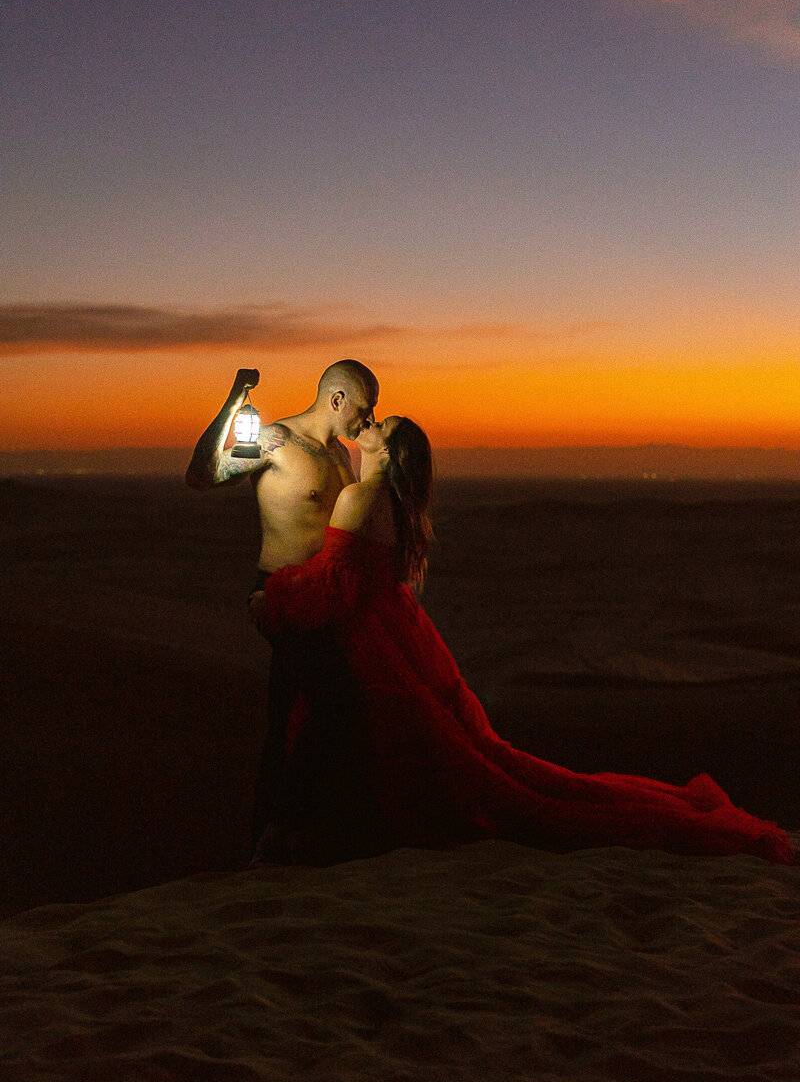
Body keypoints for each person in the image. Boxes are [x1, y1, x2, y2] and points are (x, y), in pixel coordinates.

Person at [249, 416, 795, 867]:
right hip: (394, 630)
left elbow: (336, 583)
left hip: (374, 638)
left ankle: (295, 837)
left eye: (379, 426)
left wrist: (273, 597)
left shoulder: (360, 497)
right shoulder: (389, 500)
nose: (366, 424)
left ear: (387, 452)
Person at [186, 360, 379, 858]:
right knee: (336, 701)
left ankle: (288, 837)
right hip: (281, 595)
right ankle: (278, 833)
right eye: (364, 406)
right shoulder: (276, 442)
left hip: (328, 595)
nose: (370, 417)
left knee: (294, 711)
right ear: (337, 400)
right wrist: (234, 400)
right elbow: (201, 474)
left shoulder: (344, 456)